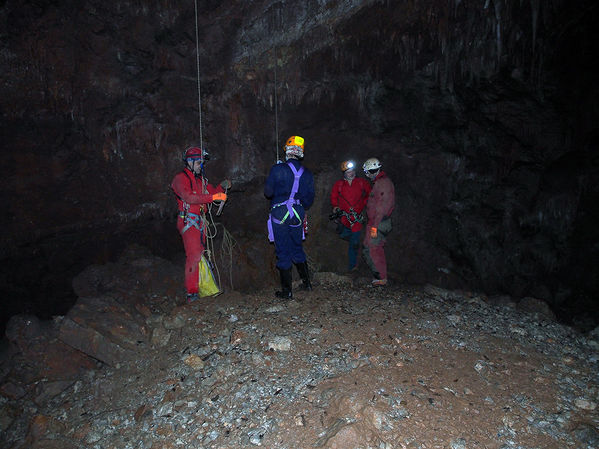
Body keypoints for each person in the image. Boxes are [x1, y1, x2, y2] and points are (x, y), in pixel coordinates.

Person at [171, 147, 231, 302]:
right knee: (194, 256)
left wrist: (222, 187)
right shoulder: (180, 179)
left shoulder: (201, 181)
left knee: (199, 254)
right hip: (188, 221)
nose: (201, 166)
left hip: (199, 221)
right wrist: (214, 196)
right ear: (189, 162)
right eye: (198, 162)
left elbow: (212, 193)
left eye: (201, 163)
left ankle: (202, 288)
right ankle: (192, 293)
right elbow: (189, 197)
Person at [264, 135, 315, 299]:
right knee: (297, 247)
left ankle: (287, 291)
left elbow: (268, 193)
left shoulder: (277, 169)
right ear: (300, 153)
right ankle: (307, 283)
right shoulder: (307, 174)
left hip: (280, 212)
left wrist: (278, 176)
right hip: (298, 213)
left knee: (283, 251)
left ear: (287, 151)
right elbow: (309, 200)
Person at [330, 160, 371, 271]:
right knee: (343, 234)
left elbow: (370, 193)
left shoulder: (361, 183)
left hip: (356, 218)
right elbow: (334, 197)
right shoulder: (339, 185)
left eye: (352, 171)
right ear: (344, 173)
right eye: (348, 172)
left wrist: (364, 203)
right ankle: (349, 238)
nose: (351, 173)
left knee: (354, 243)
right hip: (344, 217)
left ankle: (352, 267)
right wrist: (335, 206)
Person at [362, 157, 395, 286]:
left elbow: (382, 206)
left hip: (379, 222)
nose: (367, 175)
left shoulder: (383, 184)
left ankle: (381, 278)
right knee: (369, 246)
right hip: (376, 221)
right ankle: (379, 276)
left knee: (374, 248)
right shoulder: (379, 183)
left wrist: (375, 226)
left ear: (372, 171)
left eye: (367, 173)